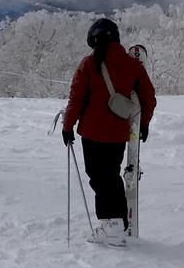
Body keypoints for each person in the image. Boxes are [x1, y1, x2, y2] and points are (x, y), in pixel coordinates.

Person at [62, 18, 156, 247]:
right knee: (111, 176)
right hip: (117, 134)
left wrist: (67, 126)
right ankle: (118, 223)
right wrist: (144, 123)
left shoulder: (89, 64)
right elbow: (148, 97)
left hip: (92, 133)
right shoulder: (132, 65)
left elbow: (76, 99)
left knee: (99, 178)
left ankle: (111, 227)